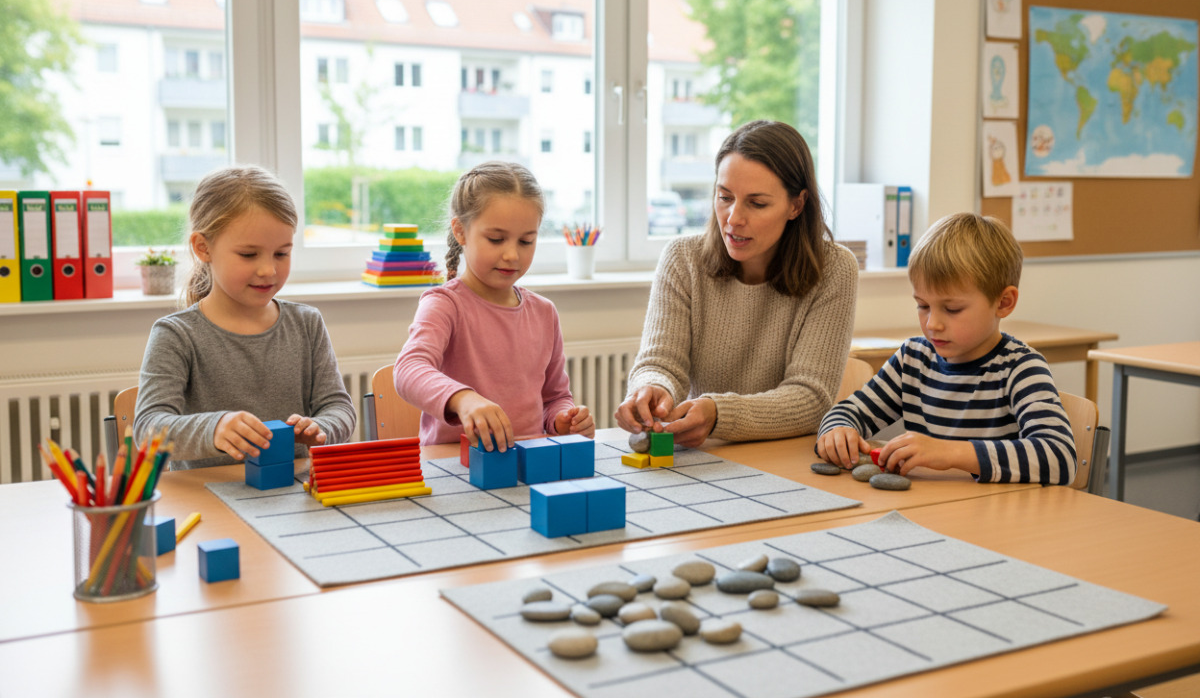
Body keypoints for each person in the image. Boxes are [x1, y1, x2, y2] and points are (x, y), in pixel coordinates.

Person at [615, 119, 859, 447]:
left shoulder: (835, 269)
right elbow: (660, 363)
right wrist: (651, 388)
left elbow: (811, 398)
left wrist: (719, 413)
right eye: (724, 197)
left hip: (784, 454)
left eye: (757, 203)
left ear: (796, 205)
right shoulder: (682, 258)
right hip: (708, 454)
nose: (733, 218)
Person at [816, 212, 1077, 484]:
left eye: (952, 309)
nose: (932, 324)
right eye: (923, 305)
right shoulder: (912, 359)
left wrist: (951, 453)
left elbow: (1060, 458)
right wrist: (838, 430)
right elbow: (848, 411)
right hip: (929, 505)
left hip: (996, 508)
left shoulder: (1021, 368)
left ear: (1003, 303)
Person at [134, 165, 355, 469]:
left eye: (282, 253)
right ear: (203, 248)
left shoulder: (307, 323)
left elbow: (339, 407)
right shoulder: (176, 335)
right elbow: (148, 430)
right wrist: (215, 428)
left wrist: (321, 428)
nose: (269, 270)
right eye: (249, 255)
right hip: (204, 493)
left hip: (292, 490)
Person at [393, 161, 595, 450]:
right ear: (460, 231)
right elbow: (408, 369)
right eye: (496, 239)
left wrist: (563, 419)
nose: (512, 255)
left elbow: (555, 398)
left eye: (526, 241)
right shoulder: (444, 304)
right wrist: (463, 399)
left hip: (527, 461)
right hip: (454, 464)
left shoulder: (544, 312)